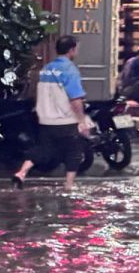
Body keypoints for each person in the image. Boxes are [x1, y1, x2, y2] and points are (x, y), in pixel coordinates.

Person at [13, 35, 89, 189]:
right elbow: (75, 99)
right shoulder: (70, 70)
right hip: (65, 120)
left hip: (46, 119)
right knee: (74, 151)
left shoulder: (46, 69)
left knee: (43, 149)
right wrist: (82, 121)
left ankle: (21, 172)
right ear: (72, 50)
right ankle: (69, 185)